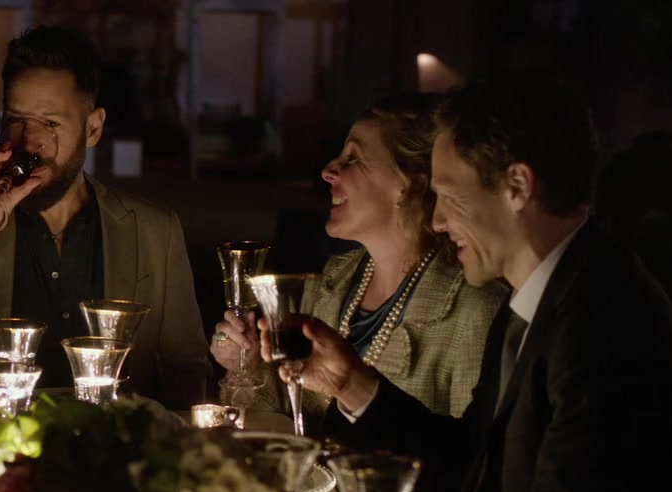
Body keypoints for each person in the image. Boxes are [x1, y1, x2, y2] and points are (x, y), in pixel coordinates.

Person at [270, 73, 672, 492]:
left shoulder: (603, 324)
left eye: (448, 195)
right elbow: (472, 464)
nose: (437, 220)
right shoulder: (542, 296)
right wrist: (351, 382)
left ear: (517, 186)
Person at [0, 26, 210, 409]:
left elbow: (187, 366)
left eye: (50, 123)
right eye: (16, 119)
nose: (28, 142)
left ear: (93, 128)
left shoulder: (155, 230)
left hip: (113, 440)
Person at [211, 94, 505, 425]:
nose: (327, 171)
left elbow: (472, 451)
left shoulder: (475, 310)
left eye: (353, 159)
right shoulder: (336, 278)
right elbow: (293, 420)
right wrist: (249, 366)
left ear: (409, 182)